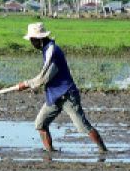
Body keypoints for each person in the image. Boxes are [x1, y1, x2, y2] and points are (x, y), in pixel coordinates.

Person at [16, 22, 108, 154]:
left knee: (82, 127)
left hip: (67, 95)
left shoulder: (53, 52)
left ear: (39, 39)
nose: (31, 43)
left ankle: (103, 150)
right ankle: (49, 152)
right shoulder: (46, 49)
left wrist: (26, 84)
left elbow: (44, 78)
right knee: (40, 124)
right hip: (54, 96)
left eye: (32, 40)